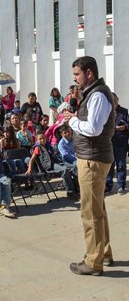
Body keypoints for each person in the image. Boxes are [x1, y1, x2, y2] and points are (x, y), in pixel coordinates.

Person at [63, 56, 115, 276]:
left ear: (89, 73)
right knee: (98, 209)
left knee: (90, 212)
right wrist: (76, 116)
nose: (75, 79)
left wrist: (72, 121)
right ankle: (103, 252)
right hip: (94, 157)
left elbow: (93, 129)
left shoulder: (98, 95)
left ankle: (94, 262)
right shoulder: (95, 93)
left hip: (92, 160)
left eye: (77, 74)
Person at [105, 93, 129, 195]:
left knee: (121, 164)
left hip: (121, 141)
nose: (113, 102)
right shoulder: (106, 111)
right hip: (109, 142)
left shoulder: (124, 111)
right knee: (109, 165)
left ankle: (121, 186)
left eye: (114, 100)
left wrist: (125, 127)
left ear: (117, 100)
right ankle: (108, 185)